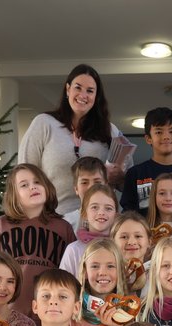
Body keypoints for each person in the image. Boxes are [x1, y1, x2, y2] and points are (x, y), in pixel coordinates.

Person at [19, 64, 123, 216]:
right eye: (78, 88)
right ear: (68, 89)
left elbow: (126, 179)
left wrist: (119, 177)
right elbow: (24, 173)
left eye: (90, 91)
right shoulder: (44, 123)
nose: (83, 95)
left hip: (98, 221)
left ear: (96, 96)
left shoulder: (110, 130)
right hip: (52, 219)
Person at [0, 164, 75, 324]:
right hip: (6, 317)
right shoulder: (0, 225)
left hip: (50, 317)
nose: (33, 187)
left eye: (37, 182)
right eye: (24, 185)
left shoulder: (63, 228)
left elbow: (73, 275)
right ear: (14, 194)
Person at [121, 107, 172, 213]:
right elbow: (128, 213)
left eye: (171, 131)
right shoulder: (135, 173)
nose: (166, 137)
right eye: (159, 132)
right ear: (148, 139)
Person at [59, 183, 119, 277]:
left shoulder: (120, 247)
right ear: (84, 213)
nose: (101, 212)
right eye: (94, 207)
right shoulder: (74, 250)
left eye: (108, 208)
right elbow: (64, 283)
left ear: (116, 215)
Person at [62, 156, 108, 233]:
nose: (91, 187)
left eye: (97, 182)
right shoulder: (65, 223)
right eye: (84, 182)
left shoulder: (118, 222)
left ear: (106, 186)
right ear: (76, 189)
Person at [111, 211, 152, 292]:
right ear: (113, 242)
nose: (131, 242)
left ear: (149, 242)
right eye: (124, 237)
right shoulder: (107, 274)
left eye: (138, 236)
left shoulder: (159, 274)